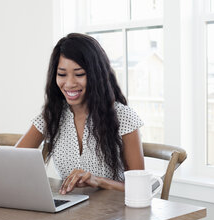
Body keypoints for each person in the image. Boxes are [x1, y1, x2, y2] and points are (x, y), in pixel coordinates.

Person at [16, 33, 144, 194]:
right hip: (69, 213)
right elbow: (12, 163)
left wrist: (98, 181)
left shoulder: (124, 117)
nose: (69, 83)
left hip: (115, 215)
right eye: (62, 74)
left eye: (79, 74)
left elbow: (140, 189)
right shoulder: (53, 115)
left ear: (97, 75)